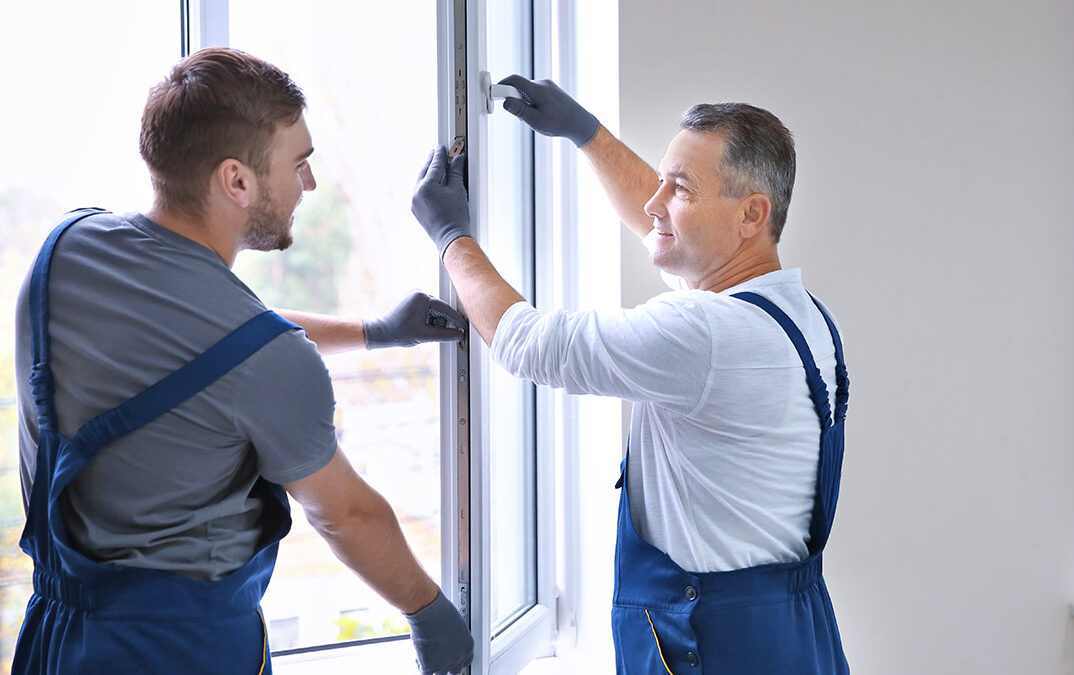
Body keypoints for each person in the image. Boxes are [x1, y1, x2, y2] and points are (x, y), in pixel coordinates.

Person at [13, 47, 473, 675]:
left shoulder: (64, 253)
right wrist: (428, 610)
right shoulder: (268, 361)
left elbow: (208, 340)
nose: (309, 184)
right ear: (237, 181)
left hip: (55, 641)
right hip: (182, 654)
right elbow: (346, 513)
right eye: (299, 163)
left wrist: (372, 333)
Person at [411, 76, 851, 673]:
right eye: (664, 180)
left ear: (751, 214)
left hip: (715, 646)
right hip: (793, 637)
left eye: (681, 188)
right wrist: (586, 133)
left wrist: (451, 237)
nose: (655, 202)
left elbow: (529, 343)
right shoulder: (799, 316)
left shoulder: (705, 334)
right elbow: (661, 226)